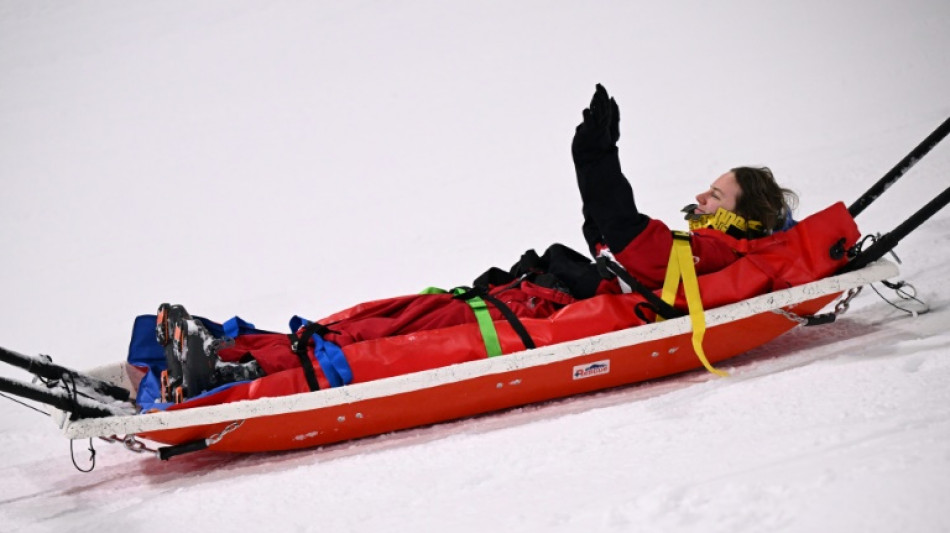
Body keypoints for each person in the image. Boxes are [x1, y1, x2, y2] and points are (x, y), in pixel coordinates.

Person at [156, 84, 799, 402]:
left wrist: (600, 159)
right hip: (512, 303)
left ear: (747, 217)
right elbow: (611, 240)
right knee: (372, 322)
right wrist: (589, 165)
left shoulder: (722, 259)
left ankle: (237, 369)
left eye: (718, 196)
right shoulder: (699, 252)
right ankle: (230, 352)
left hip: (525, 318)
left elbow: (632, 237)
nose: (703, 199)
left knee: (377, 346)